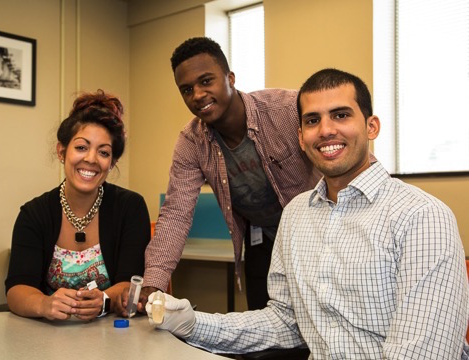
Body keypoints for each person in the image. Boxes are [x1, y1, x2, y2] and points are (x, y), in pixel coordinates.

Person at [146, 69, 469, 358]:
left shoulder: (422, 217)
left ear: (372, 127)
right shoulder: (297, 215)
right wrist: (192, 323)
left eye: (341, 115)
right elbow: (285, 322)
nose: (326, 130)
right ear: (300, 137)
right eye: (312, 120)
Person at [128, 37, 320, 313]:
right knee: (266, 340)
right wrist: (153, 283)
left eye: (206, 81)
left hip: (316, 236)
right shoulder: (191, 142)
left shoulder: (287, 110)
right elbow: (176, 213)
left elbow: (341, 153)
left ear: (230, 77)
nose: (197, 95)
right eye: (186, 89)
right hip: (262, 240)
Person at [5, 90, 151, 321]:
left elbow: (130, 282)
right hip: (48, 336)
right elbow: (17, 289)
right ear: (62, 151)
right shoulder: (33, 214)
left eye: (103, 152)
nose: (91, 159)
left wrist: (103, 300)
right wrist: (45, 304)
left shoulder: (130, 208)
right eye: (81, 147)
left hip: (114, 336)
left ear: (112, 163)